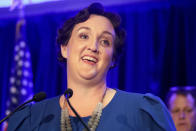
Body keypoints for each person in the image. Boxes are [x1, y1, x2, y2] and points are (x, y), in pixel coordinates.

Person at [7, 3, 176, 131]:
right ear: (64, 48)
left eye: (105, 41)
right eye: (84, 36)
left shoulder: (143, 114)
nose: (93, 47)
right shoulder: (30, 120)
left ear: (113, 59)